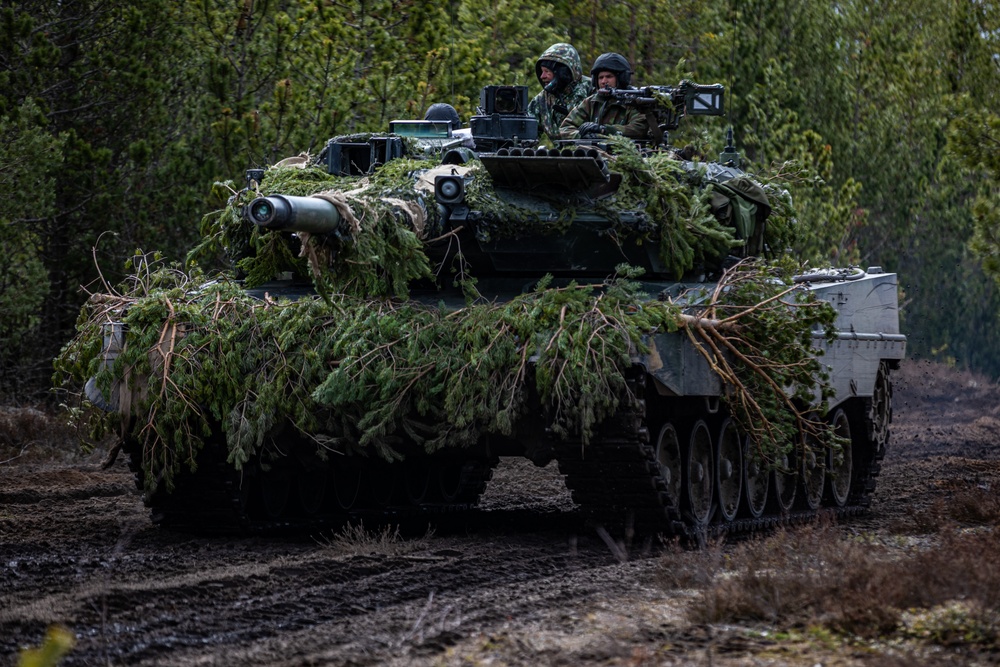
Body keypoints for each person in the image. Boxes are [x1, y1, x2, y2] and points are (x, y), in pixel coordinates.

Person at [559, 52, 649, 140]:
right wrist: (582, 136)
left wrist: (605, 130)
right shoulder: (591, 102)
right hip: (592, 152)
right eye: (600, 77)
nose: (603, 81)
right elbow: (565, 127)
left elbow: (639, 129)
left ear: (621, 78)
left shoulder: (635, 101)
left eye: (609, 76)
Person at [525, 43, 594, 143]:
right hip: (561, 156)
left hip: (594, 153)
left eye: (547, 71)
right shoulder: (541, 100)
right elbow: (526, 135)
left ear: (562, 72)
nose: (542, 76)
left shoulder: (591, 89)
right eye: (541, 71)